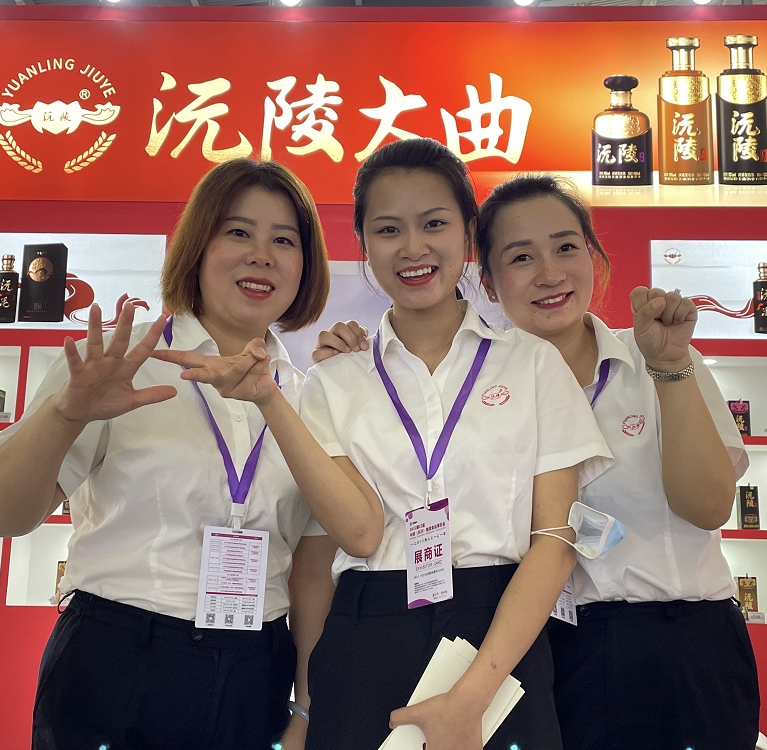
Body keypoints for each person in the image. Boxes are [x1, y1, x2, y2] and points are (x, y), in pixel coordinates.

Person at [175, 138, 611, 750]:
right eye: (387, 229)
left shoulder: (534, 365)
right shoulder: (331, 381)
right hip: (365, 633)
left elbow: (557, 543)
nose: (412, 248)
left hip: (500, 635)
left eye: (434, 224)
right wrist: (306, 707)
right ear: (363, 244)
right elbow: (328, 554)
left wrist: (472, 695)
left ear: (468, 233)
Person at [0, 158, 333, 750]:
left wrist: (306, 707)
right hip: (116, 659)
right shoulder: (121, 360)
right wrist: (66, 413)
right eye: (238, 232)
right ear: (197, 246)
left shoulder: (308, 396)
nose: (261, 255)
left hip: (254, 667)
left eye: (284, 240)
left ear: (306, 266)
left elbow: (311, 570)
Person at [476, 174, 760, 749]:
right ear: (488, 282)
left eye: (565, 247)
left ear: (592, 255)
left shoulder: (654, 353)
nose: (549, 273)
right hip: (553, 650)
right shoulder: (481, 392)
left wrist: (670, 368)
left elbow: (709, 507)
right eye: (521, 257)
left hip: (688, 646)